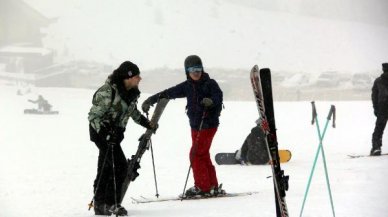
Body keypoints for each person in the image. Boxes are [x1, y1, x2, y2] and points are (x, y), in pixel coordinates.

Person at [142, 55, 224, 197]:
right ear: (187, 71)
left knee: (196, 154)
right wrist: (151, 99)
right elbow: (168, 92)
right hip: (195, 126)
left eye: (198, 69)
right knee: (202, 154)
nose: (196, 73)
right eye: (192, 70)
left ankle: (202, 187)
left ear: (202, 69)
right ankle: (211, 186)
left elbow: (218, 97)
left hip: (207, 125)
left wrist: (211, 101)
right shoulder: (187, 86)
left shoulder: (210, 83)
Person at [88, 61, 156, 215]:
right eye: (137, 76)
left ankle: (100, 204)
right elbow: (93, 117)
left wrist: (147, 123)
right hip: (101, 134)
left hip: (115, 136)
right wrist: (106, 132)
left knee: (105, 167)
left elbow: (133, 112)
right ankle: (111, 203)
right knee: (119, 167)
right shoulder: (107, 92)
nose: (140, 79)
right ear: (128, 77)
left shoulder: (130, 93)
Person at [371, 63, 388, 156]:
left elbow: (374, 96)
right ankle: (376, 147)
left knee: (379, 129)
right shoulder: (378, 81)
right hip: (382, 109)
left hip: (382, 109)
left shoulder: (378, 81)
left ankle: (376, 147)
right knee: (379, 128)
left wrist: (376, 108)